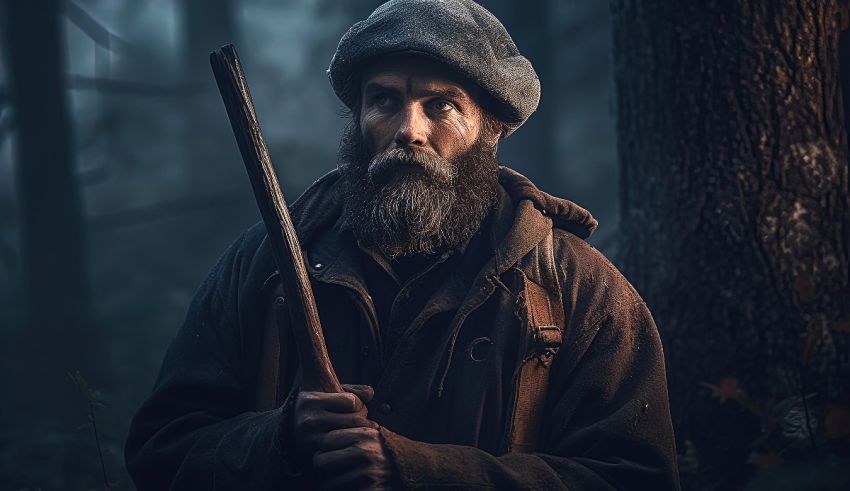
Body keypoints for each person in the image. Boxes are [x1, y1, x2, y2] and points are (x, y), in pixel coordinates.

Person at [125, 0, 680, 489]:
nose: (407, 129)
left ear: (491, 130)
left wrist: (422, 473)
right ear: (360, 117)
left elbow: (633, 479)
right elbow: (161, 453)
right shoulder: (263, 265)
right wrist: (282, 438)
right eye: (385, 100)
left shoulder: (579, 291)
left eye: (441, 105)